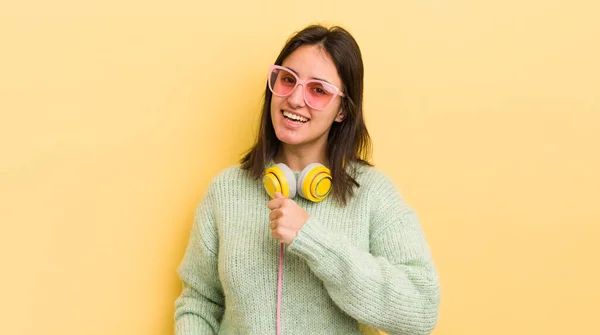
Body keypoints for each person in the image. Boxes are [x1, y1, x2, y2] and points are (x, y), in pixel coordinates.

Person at [174, 24, 440, 335]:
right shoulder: (226, 191)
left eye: (318, 90)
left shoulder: (373, 195)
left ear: (342, 110)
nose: (295, 99)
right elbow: (199, 303)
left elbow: (421, 310)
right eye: (288, 80)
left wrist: (313, 240)